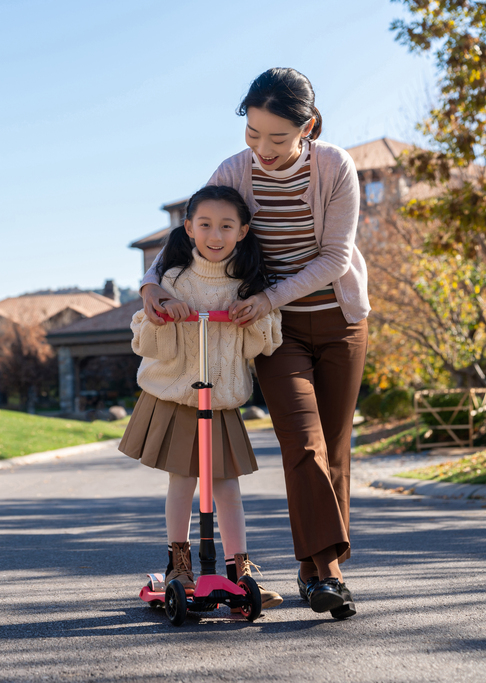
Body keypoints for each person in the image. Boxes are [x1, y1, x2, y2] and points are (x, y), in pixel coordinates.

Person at [139, 68, 369, 620]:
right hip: (274, 330)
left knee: (335, 452)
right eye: (253, 134)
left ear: (307, 127)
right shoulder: (235, 171)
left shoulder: (336, 166)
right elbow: (188, 233)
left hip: (340, 322)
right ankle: (329, 578)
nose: (262, 149)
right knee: (303, 443)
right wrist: (151, 282)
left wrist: (269, 297)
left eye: (277, 137)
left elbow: (336, 258)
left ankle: (314, 570)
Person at [121, 186, 283, 610]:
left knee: (227, 486)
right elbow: (150, 343)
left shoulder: (247, 283)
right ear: (189, 228)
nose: (216, 234)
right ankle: (179, 564)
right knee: (183, 480)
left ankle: (239, 568)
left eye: (227, 226)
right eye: (206, 224)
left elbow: (258, 347)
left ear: (243, 231)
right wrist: (163, 313)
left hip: (223, 400)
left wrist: (256, 315)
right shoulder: (171, 280)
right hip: (179, 398)